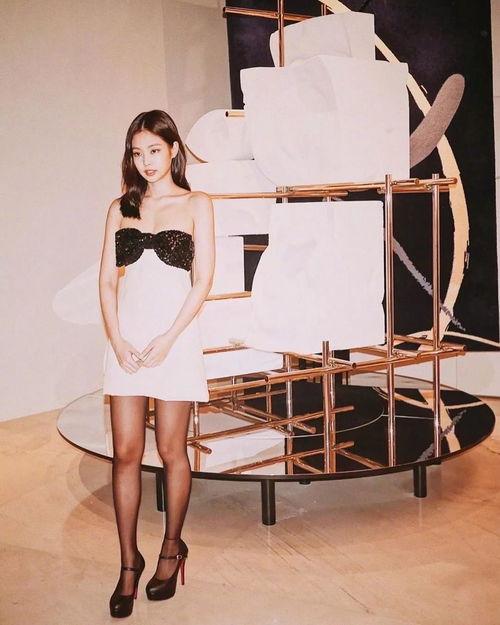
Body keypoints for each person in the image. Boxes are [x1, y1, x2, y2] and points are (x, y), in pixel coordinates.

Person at [98, 110, 215, 618]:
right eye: (137, 152)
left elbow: (202, 280)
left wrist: (169, 339)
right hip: (126, 342)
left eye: (154, 150)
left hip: (175, 340)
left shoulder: (197, 203)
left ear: (173, 150)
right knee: (125, 452)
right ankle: (129, 563)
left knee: (171, 450)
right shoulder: (119, 208)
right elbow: (107, 281)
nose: (146, 161)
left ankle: (171, 549)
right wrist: (116, 338)